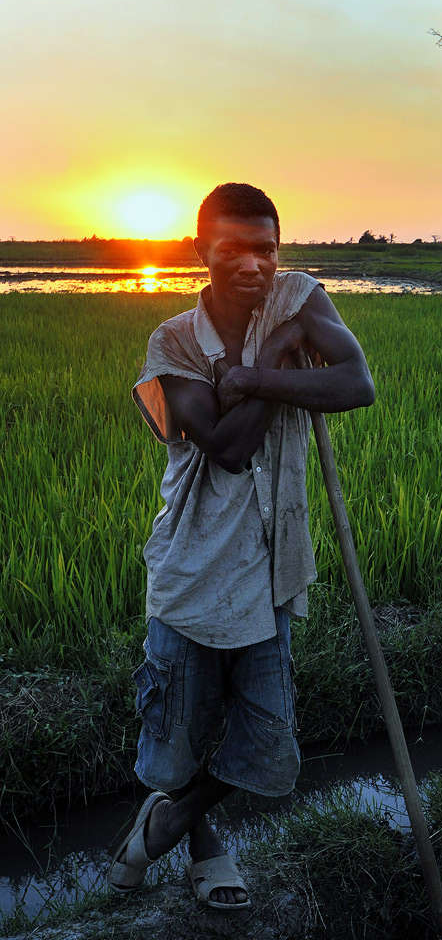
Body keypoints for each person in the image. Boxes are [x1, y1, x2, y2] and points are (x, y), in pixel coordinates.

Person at [108, 183, 375, 908]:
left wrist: (261, 368)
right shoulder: (172, 342)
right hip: (193, 565)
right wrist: (284, 367)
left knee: (268, 737)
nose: (254, 264)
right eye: (234, 249)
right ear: (203, 252)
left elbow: (358, 384)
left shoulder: (299, 299)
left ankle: (168, 824)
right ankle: (204, 845)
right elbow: (226, 446)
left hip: (273, 561)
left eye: (266, 247)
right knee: (178, 736)